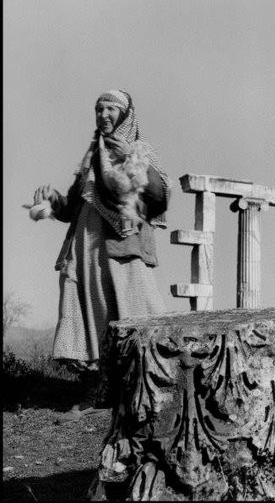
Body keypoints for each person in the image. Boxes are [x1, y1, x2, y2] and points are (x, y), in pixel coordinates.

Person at [30, 90, 170, 423]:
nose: (103, 114)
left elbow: (160, 197)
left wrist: (135, 165)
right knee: (88, 316)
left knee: (133, 313)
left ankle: (147, 386)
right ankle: (94, 390)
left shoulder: (138, 150)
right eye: (98, 108)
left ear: (125, 115)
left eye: (110, 109)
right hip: (85, 248)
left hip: (122, 248)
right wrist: (53, 201)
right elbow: (74, 206)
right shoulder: (93, 155)